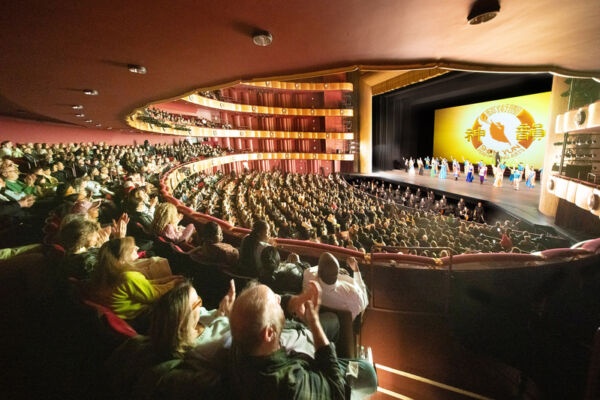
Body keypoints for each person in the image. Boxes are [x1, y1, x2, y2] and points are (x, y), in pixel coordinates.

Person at [229, 281, 377, 399]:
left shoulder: (243, 337)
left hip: (299, 339)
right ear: (269, 333)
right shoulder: (291, 386)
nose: (279, 298)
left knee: (334, 321)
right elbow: (337, 392)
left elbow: (266, 308)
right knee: (368, 373)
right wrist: (314, 323)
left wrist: (297, 300)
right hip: (323, 372)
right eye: (275, 302)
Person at [88, 237, 183, 333]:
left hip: (123, 317)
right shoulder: (127, 276)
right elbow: (153, 295)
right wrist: (176, 283)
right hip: (137, 319)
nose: (137, 248)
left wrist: (165, 280)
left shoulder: (106, 272)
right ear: (122, 259)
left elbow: (143, 285)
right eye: (131, 250)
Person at [303, 253, 368, 320]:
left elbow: (315, 269)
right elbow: (364, 301)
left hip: (322, 317)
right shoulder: (353, 294)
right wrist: (356, 270)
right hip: (346, 321)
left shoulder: (308, 276)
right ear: (338, 272)